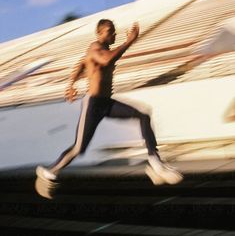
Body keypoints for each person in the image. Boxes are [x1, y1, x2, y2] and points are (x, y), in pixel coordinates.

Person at [36, 19, 183, 185]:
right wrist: (129, 41)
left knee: (143, 115)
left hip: (106, 103)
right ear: (99, 34)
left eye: (114, 31)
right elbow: (106, 61)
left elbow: (81, 64)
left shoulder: (101, 50)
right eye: (110, 31)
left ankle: (155, 164)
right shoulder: (95, 48)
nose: (114, 34)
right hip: (93, 105)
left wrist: (71, 83)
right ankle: (50, 170)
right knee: (79, 148)